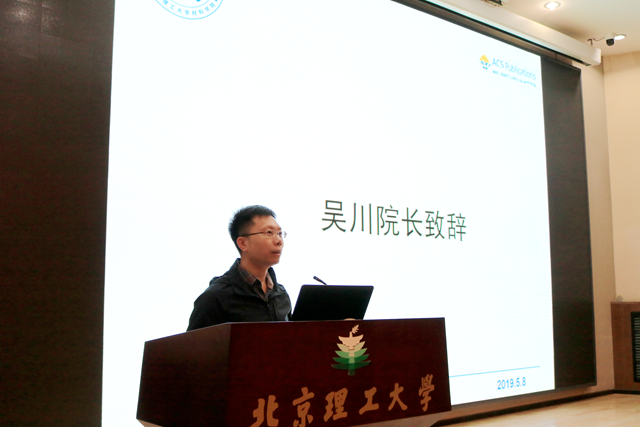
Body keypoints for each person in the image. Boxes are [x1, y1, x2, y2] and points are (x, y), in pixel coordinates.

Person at [187, 205, 292, 331]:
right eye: (269, 233)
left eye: (279, 233)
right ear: (243, 243)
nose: (279, 241)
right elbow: (193, 343)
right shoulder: (215, 297)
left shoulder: (281, 294)